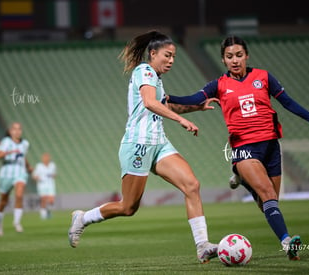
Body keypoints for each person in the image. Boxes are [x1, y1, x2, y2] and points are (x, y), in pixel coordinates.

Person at [167, 36, 309, 261]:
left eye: (238, 55)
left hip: (271, 146)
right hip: (244, 148)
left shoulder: (263, 77)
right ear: (223, 60)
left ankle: (242, 179)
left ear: (247, 55)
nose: (234, 60)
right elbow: (193, 98)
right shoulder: (218, 85)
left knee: (269, 202)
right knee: (267, 193)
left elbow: (288, 102)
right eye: (229, 57)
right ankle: (287, 243)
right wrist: (168, 97)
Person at [68, 30, 219, 263]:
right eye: (167, 55)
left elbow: (166, 105)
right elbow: (150, 103)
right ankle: (83, 218)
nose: (171, 60)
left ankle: (202, 245)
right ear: (153, 53)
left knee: (192, 185)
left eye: (174, 57)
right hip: (138, 144)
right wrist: (181, 120)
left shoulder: (156, 79)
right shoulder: (144, 71)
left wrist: (195, 109)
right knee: (128, 207)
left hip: (159, 143)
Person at [0, 122, 32, 236]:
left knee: (19, 194)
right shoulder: (6, 142)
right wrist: (9, 152)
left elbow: (22, 157)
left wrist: (28, 166)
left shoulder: (25, 143)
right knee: (3, 201)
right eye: (14, 129)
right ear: (10, 131)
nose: (17, 131)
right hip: (6, 174)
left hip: (20, 172)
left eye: (19, 129)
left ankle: (17, 222)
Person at [33, 153, 57, 219]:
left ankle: (48, 211)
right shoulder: (39, 166)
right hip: (42, 185)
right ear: (42, 159)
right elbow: (34, 176)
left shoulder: (52, 165)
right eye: (45, 157)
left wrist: (52, 175)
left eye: (47, 157)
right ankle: (43, 215)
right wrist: (38, 178)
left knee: (51, 200)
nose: (46, 159)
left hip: (50, 184)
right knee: (43, 199)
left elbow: (54, 174)